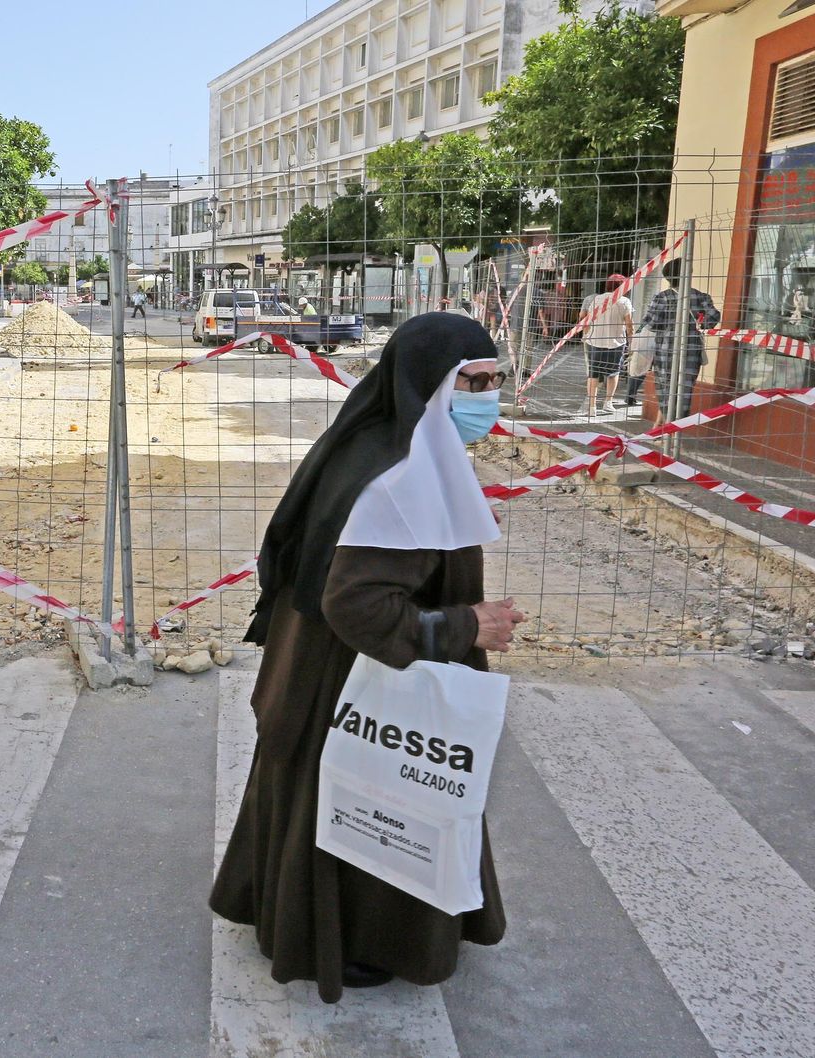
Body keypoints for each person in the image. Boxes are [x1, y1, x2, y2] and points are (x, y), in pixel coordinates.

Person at [210, 312, 525, 1004]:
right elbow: (356, 606)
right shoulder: (402, 475)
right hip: (348, 680)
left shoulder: (385, 445)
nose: (489, 397)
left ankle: (307, 920)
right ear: (429, 386)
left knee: (325, 802)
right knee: (367, 808)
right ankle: (352, 942)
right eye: (473, 383)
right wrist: (465, 626)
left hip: (317, 669)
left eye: (496, 381)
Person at [639, 258, 721, 427]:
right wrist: (699, 324)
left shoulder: (662, 297)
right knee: (684, 389)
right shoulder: (700, 296)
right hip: (691, 349)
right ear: (687, 274)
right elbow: (713, 317)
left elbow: (652, 323)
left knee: (665, 388)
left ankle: (666, 430)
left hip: (665, 350)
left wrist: (666, 326)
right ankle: (672, 429)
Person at [579, 274, 634, 417]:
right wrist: (631, 342)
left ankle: (592, 407)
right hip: (616, 342)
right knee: (613, 373)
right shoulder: (625, 301)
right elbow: (629, 325)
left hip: (594, 341)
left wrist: (586, 335)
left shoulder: (596, 299)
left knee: (593, 375)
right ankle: (608, 402)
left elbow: (587, 320)